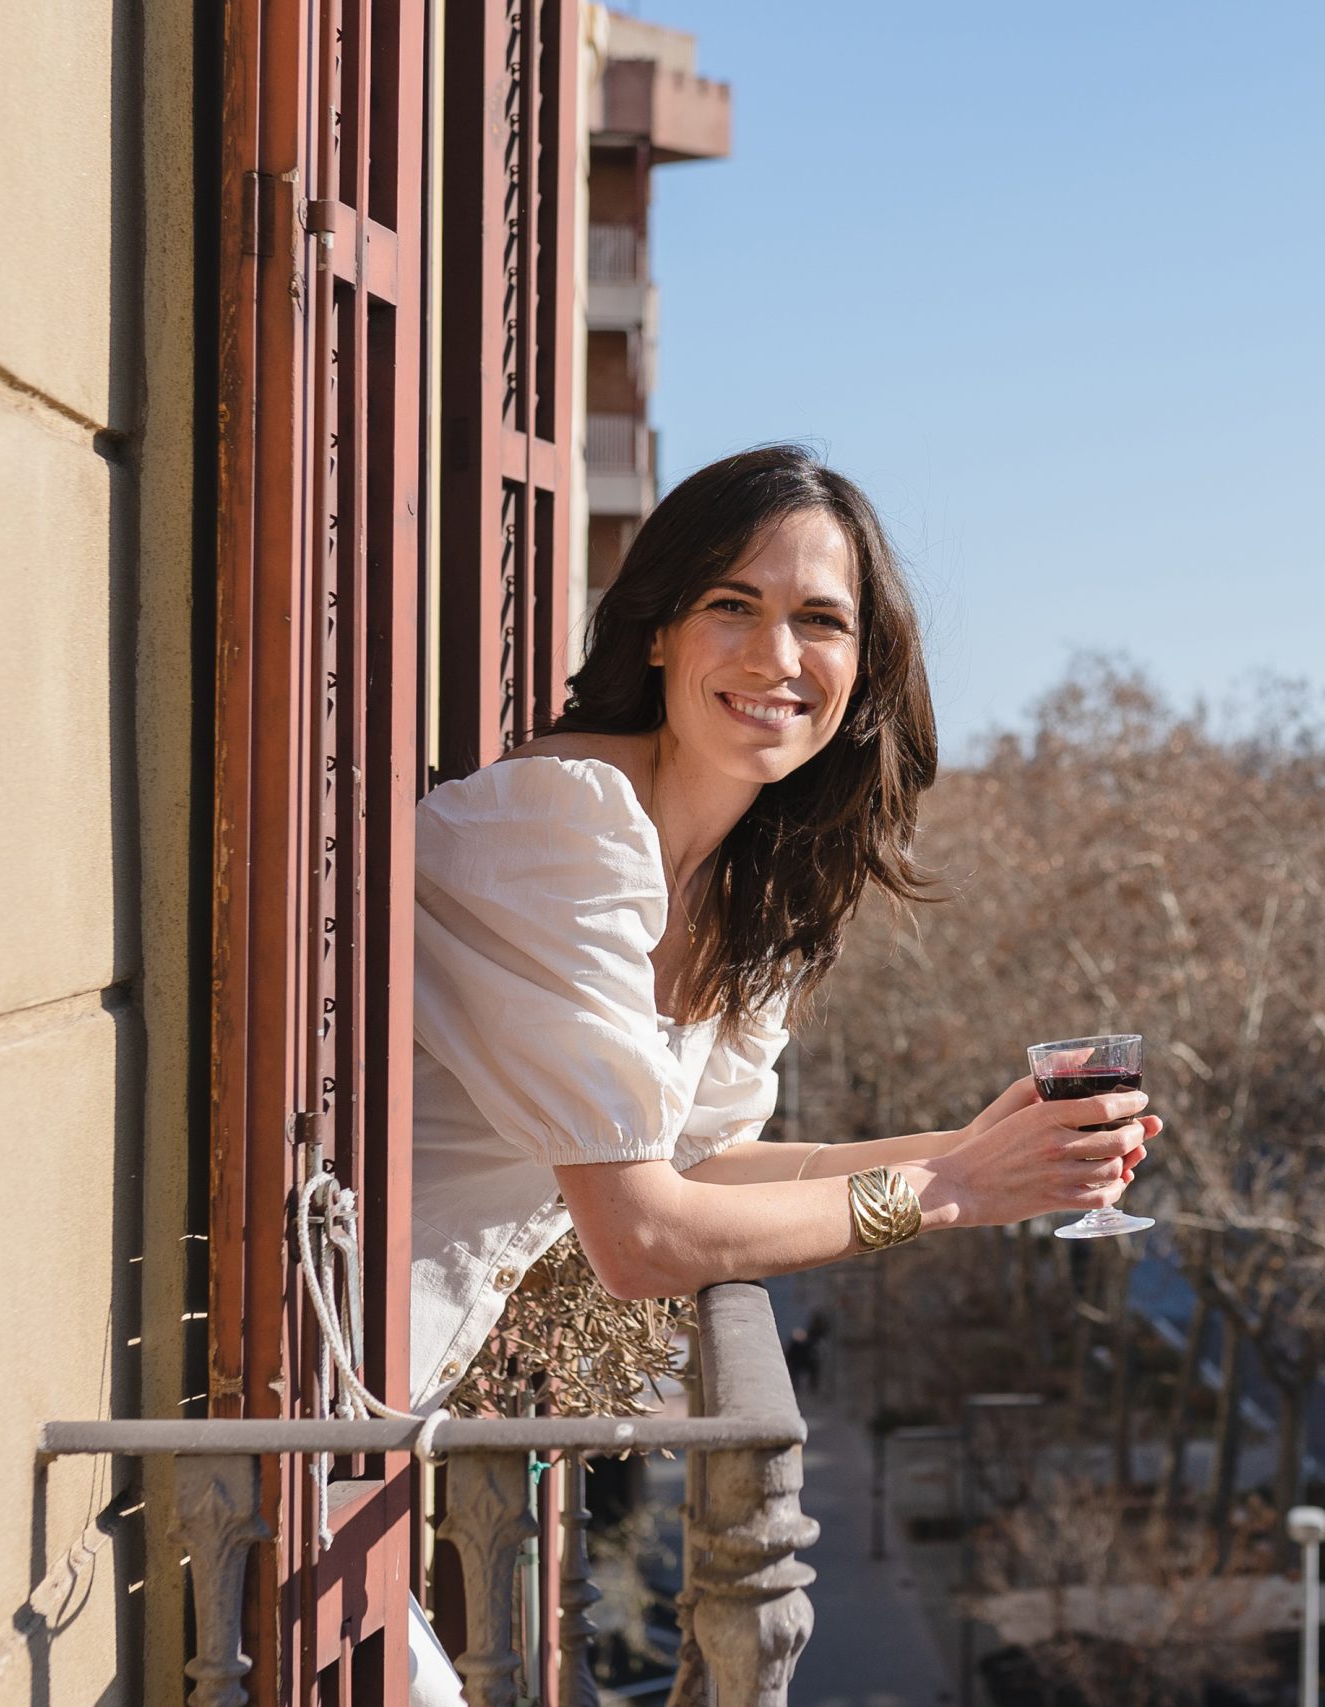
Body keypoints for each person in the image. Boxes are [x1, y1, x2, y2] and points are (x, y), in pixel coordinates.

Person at [402, 445, 1157, 1698]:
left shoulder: (744, 883)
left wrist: (979, 1149)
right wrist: (953, 1192)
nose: (775, 658)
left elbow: (710, 1162)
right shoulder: (565, 824)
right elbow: (642, 1236)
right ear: (658, 631)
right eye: (732, 608)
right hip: (300, 1405)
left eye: (820, 621)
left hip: (391, 1426)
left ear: (862, 670)